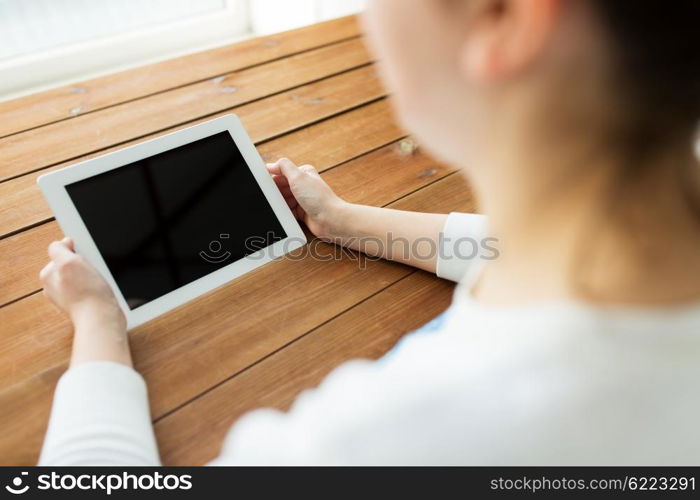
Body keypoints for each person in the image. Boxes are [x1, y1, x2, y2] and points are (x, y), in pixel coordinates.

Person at [39, 0, 699, 465]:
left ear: (503, 15)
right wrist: (343, 221)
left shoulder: (393, 439)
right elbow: (533, 246)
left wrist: (99, 321)